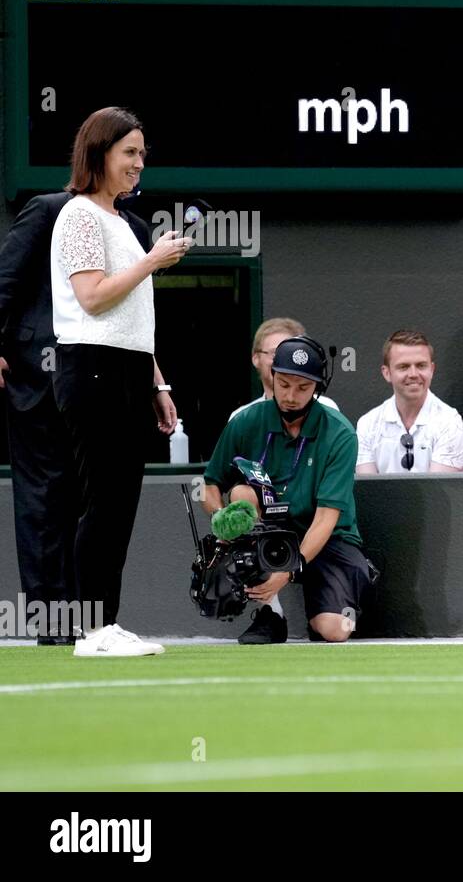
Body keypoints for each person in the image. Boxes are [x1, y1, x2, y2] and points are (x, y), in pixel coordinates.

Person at [48, 108, 192, 657]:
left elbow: (132, 316)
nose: (138, 163)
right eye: (128, 152)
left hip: (128, 369)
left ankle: (108, 622)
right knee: (104, 501)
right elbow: (93, 297)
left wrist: (157, 383)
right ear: (99, 153)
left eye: (141, 153)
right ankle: (94, 630)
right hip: (92, 367)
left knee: (120, 502)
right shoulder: (78, 216)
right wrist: (153, 260)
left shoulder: (123, 223)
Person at [204, 336, 377, 645]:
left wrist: (288, 572)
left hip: (328, 538)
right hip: (268, 531)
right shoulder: (245, 421)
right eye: (283, 384)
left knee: (337, 630)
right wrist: (222, 521)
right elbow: (211, 484)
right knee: (241, 494)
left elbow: (326, 518)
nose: (291, 396)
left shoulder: (340, 433)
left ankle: (334, 603)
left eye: (302, 388)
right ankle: (271, 613)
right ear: (272, 377)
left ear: (317, 388)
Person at [356, 330, 463, 474]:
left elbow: (439, 493)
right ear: (387, 373)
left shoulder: (450, 424)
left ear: (432, 369)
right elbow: (368, 491)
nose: (413, 374)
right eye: (403, 367)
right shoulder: (367, 424)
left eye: (421, 365)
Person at [230, 317, 339, 420]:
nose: (282, 363)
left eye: (290, 355)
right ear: (256, 359)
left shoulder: (326, 408)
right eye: (275, 353)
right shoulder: (242, 417)